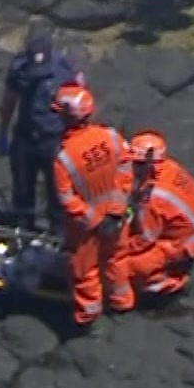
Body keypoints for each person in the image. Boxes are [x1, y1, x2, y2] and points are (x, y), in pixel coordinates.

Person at [50, 84, 133, 331]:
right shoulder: (111, 136)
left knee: (84, 271)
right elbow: (125, 170)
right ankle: (122, 303)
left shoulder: (63, 158)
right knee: (116, 260)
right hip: (117, 219)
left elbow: (67, 200)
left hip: (86, 229)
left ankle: (88, 317)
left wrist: (95, 221)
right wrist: (115, 211)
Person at [105, 130, 194, 312]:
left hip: (180, 244)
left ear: (148, 166)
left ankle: (163, 285)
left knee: (125, 265)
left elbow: (146, 238)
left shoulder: (155, 199)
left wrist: (117, 248)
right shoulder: (168, 168)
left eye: (135, 163)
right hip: (188, 225)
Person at [0, 36, 85, 228]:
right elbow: (9, 101)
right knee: (22, 190)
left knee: (57, 191)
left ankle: (57, 232)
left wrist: (76, 137)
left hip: (54, 138)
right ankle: (22, 230)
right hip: (25, 136)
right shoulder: (19, 69)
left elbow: (80, 101)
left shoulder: (64, 69)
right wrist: (3, 131)